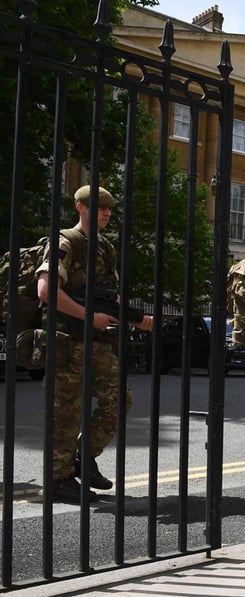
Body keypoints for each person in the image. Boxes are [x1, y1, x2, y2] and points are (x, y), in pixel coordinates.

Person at [36, 185, 154, 503]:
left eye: (109, 209)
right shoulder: (64, 241)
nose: (105, 212)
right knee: (67, 411)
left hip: (98, 341)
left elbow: (108, 297)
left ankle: (83, 457)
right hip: (67, 339)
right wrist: (88, 316)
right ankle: (58, 479)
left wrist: (134, 318)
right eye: (98, 207)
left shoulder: (105, 247)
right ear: (80, 207)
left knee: (118, 401)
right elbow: (46, 291)